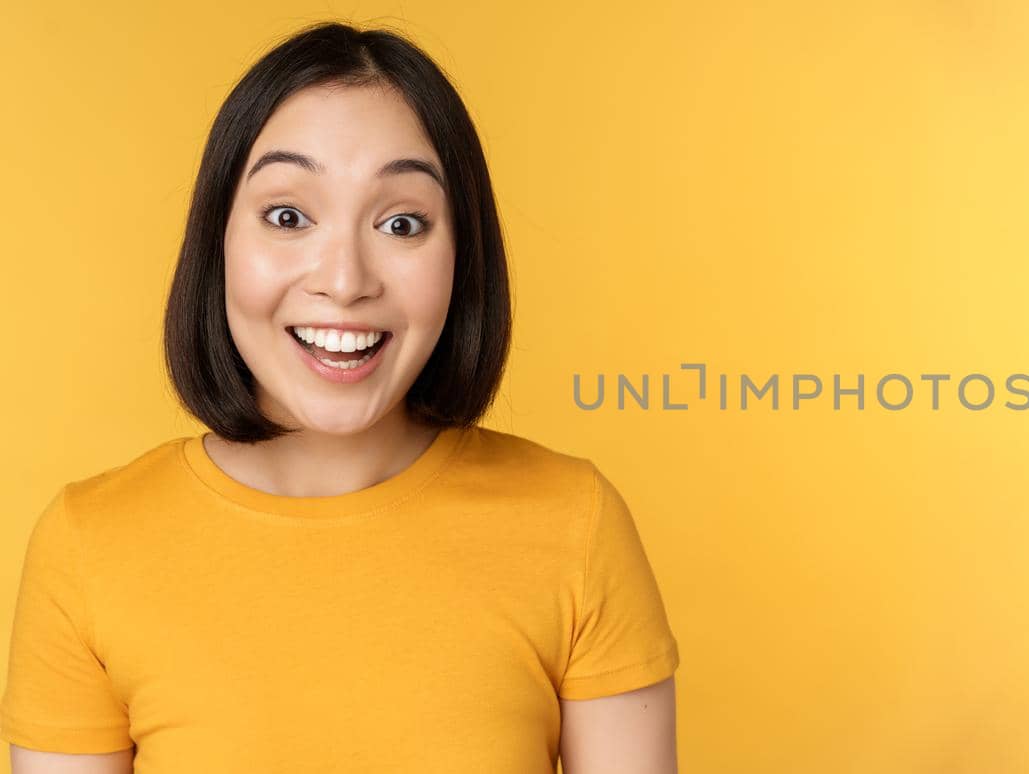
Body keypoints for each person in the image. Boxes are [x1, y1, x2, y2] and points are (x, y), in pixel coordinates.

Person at [0, 21, 679, 774]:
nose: (346, 279)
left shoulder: (575, 526)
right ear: (217, 241)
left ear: (462, 255)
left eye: (402, 222)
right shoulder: (89, 546)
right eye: (288, 216)